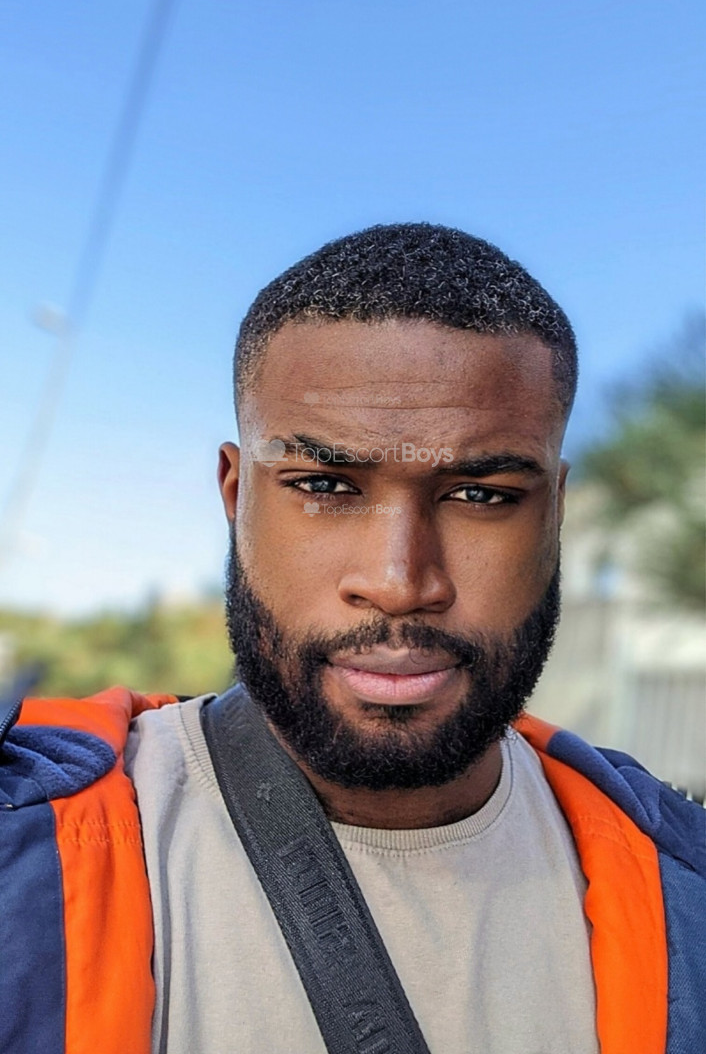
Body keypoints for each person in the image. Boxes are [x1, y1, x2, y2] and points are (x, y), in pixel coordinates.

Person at [2, 223, 704, 1054]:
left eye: (480, 495)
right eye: (325, 485)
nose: (401, 581)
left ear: (554, 512)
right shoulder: (26, 854)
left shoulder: (683, 888)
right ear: (236, 495)